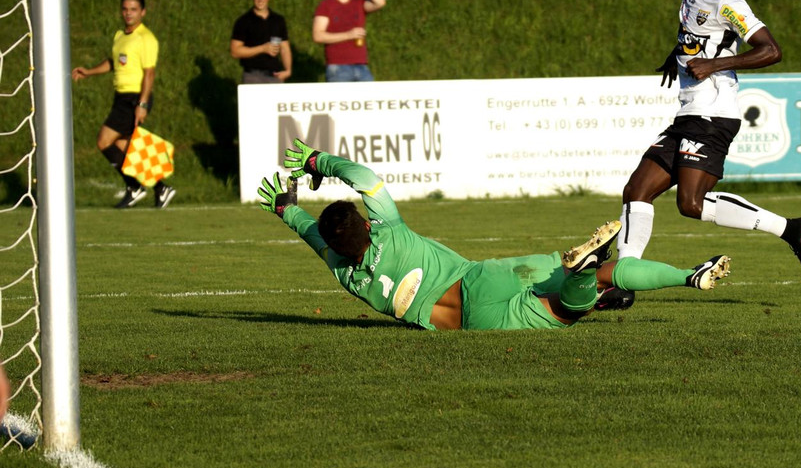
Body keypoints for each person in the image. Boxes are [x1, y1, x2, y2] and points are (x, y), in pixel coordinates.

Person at [255, 140, 732, 332]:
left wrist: (285, 208)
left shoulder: (344, 273)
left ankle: (591, 290)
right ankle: (687, 276)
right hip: (480, 279)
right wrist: (317, 163)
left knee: (562, 310)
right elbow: (364, 177)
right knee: (596, 272)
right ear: (366, 223)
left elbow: (313, 237)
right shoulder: (390, 230)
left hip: (467, 324)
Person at [599, 0, 801, 310]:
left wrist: (716, 65)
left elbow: (771, 50)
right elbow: (695, 33)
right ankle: (624, 281)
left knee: (691, 204)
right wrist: (677, 55)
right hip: (689, 113)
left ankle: (791, 229)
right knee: (637, 190)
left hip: (713, 114)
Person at [71, 0, 176, 209]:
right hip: (121, 97)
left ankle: (135, 187)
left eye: (134, 9)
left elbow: (149, 74)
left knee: (103, 140)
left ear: (143, 12)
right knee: (126, 147)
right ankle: (160, 188)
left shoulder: (146, 38)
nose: (128, 13)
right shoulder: (120, 35)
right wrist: (89, 72)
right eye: (125, 9)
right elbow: (114, 63)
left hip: (134, 97)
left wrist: (143, 104)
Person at [312, 0, 386, 82]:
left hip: (362, 66)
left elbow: (380, 3)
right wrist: (349, 35)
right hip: (338, 67)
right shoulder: (326, 5)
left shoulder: (359, 3)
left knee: (370, 99)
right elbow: (318, 36)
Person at [230, 0, 292, 84]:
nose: (260, 0)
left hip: (275, 75)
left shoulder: (278, 20)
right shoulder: (243, 21)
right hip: (253, 76)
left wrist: (288, 70)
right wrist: (262, 49)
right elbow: (235, 51)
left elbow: (284, 48)